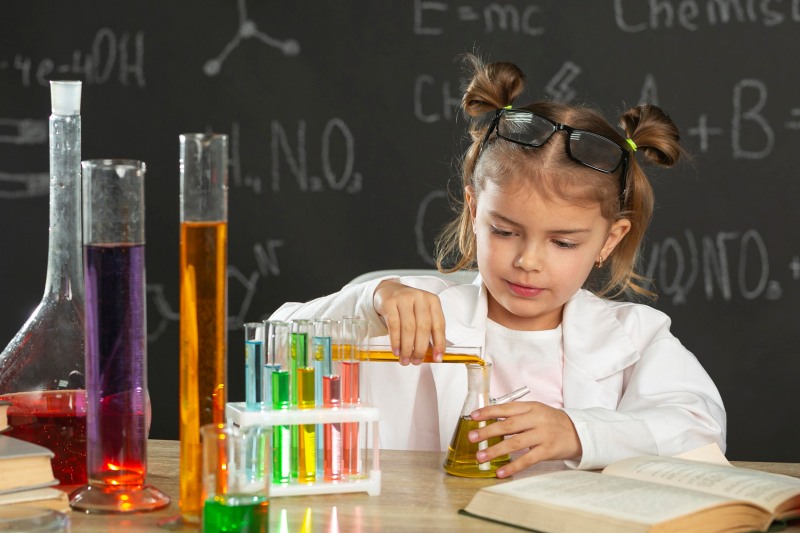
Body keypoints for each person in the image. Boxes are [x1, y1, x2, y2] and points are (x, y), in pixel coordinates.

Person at [269, 54, 726, 477]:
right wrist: (372, 301)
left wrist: (579, 432)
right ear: (473, 211)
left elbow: (699, 431)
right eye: (505, 232)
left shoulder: (636, 338)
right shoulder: (410, 308)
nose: (528, 261)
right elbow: (278, 346)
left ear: (609, 240)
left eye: (563, 242)